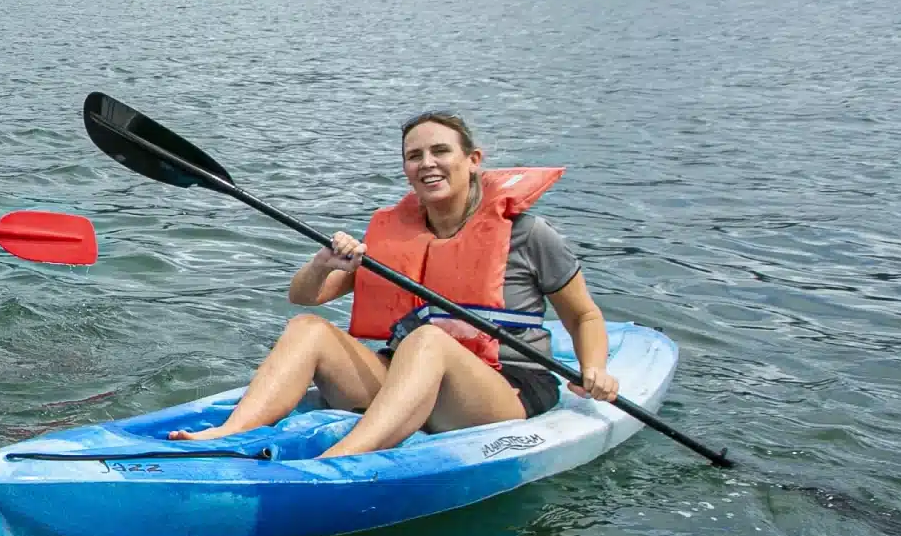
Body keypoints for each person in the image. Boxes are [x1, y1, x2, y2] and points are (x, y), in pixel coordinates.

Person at [174, 111, 619, 457]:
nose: (427, 163)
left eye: (440, 151)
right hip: (404, 377)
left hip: (502, 388)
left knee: (427, 340)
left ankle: (341, 458)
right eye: (414, 156)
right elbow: (303, 297)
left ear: (473, 161)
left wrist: (594, 367)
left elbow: (583, 314)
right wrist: (323, 262)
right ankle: (230, 434)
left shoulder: (528, 234)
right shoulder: (394, 234)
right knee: (309, 327)